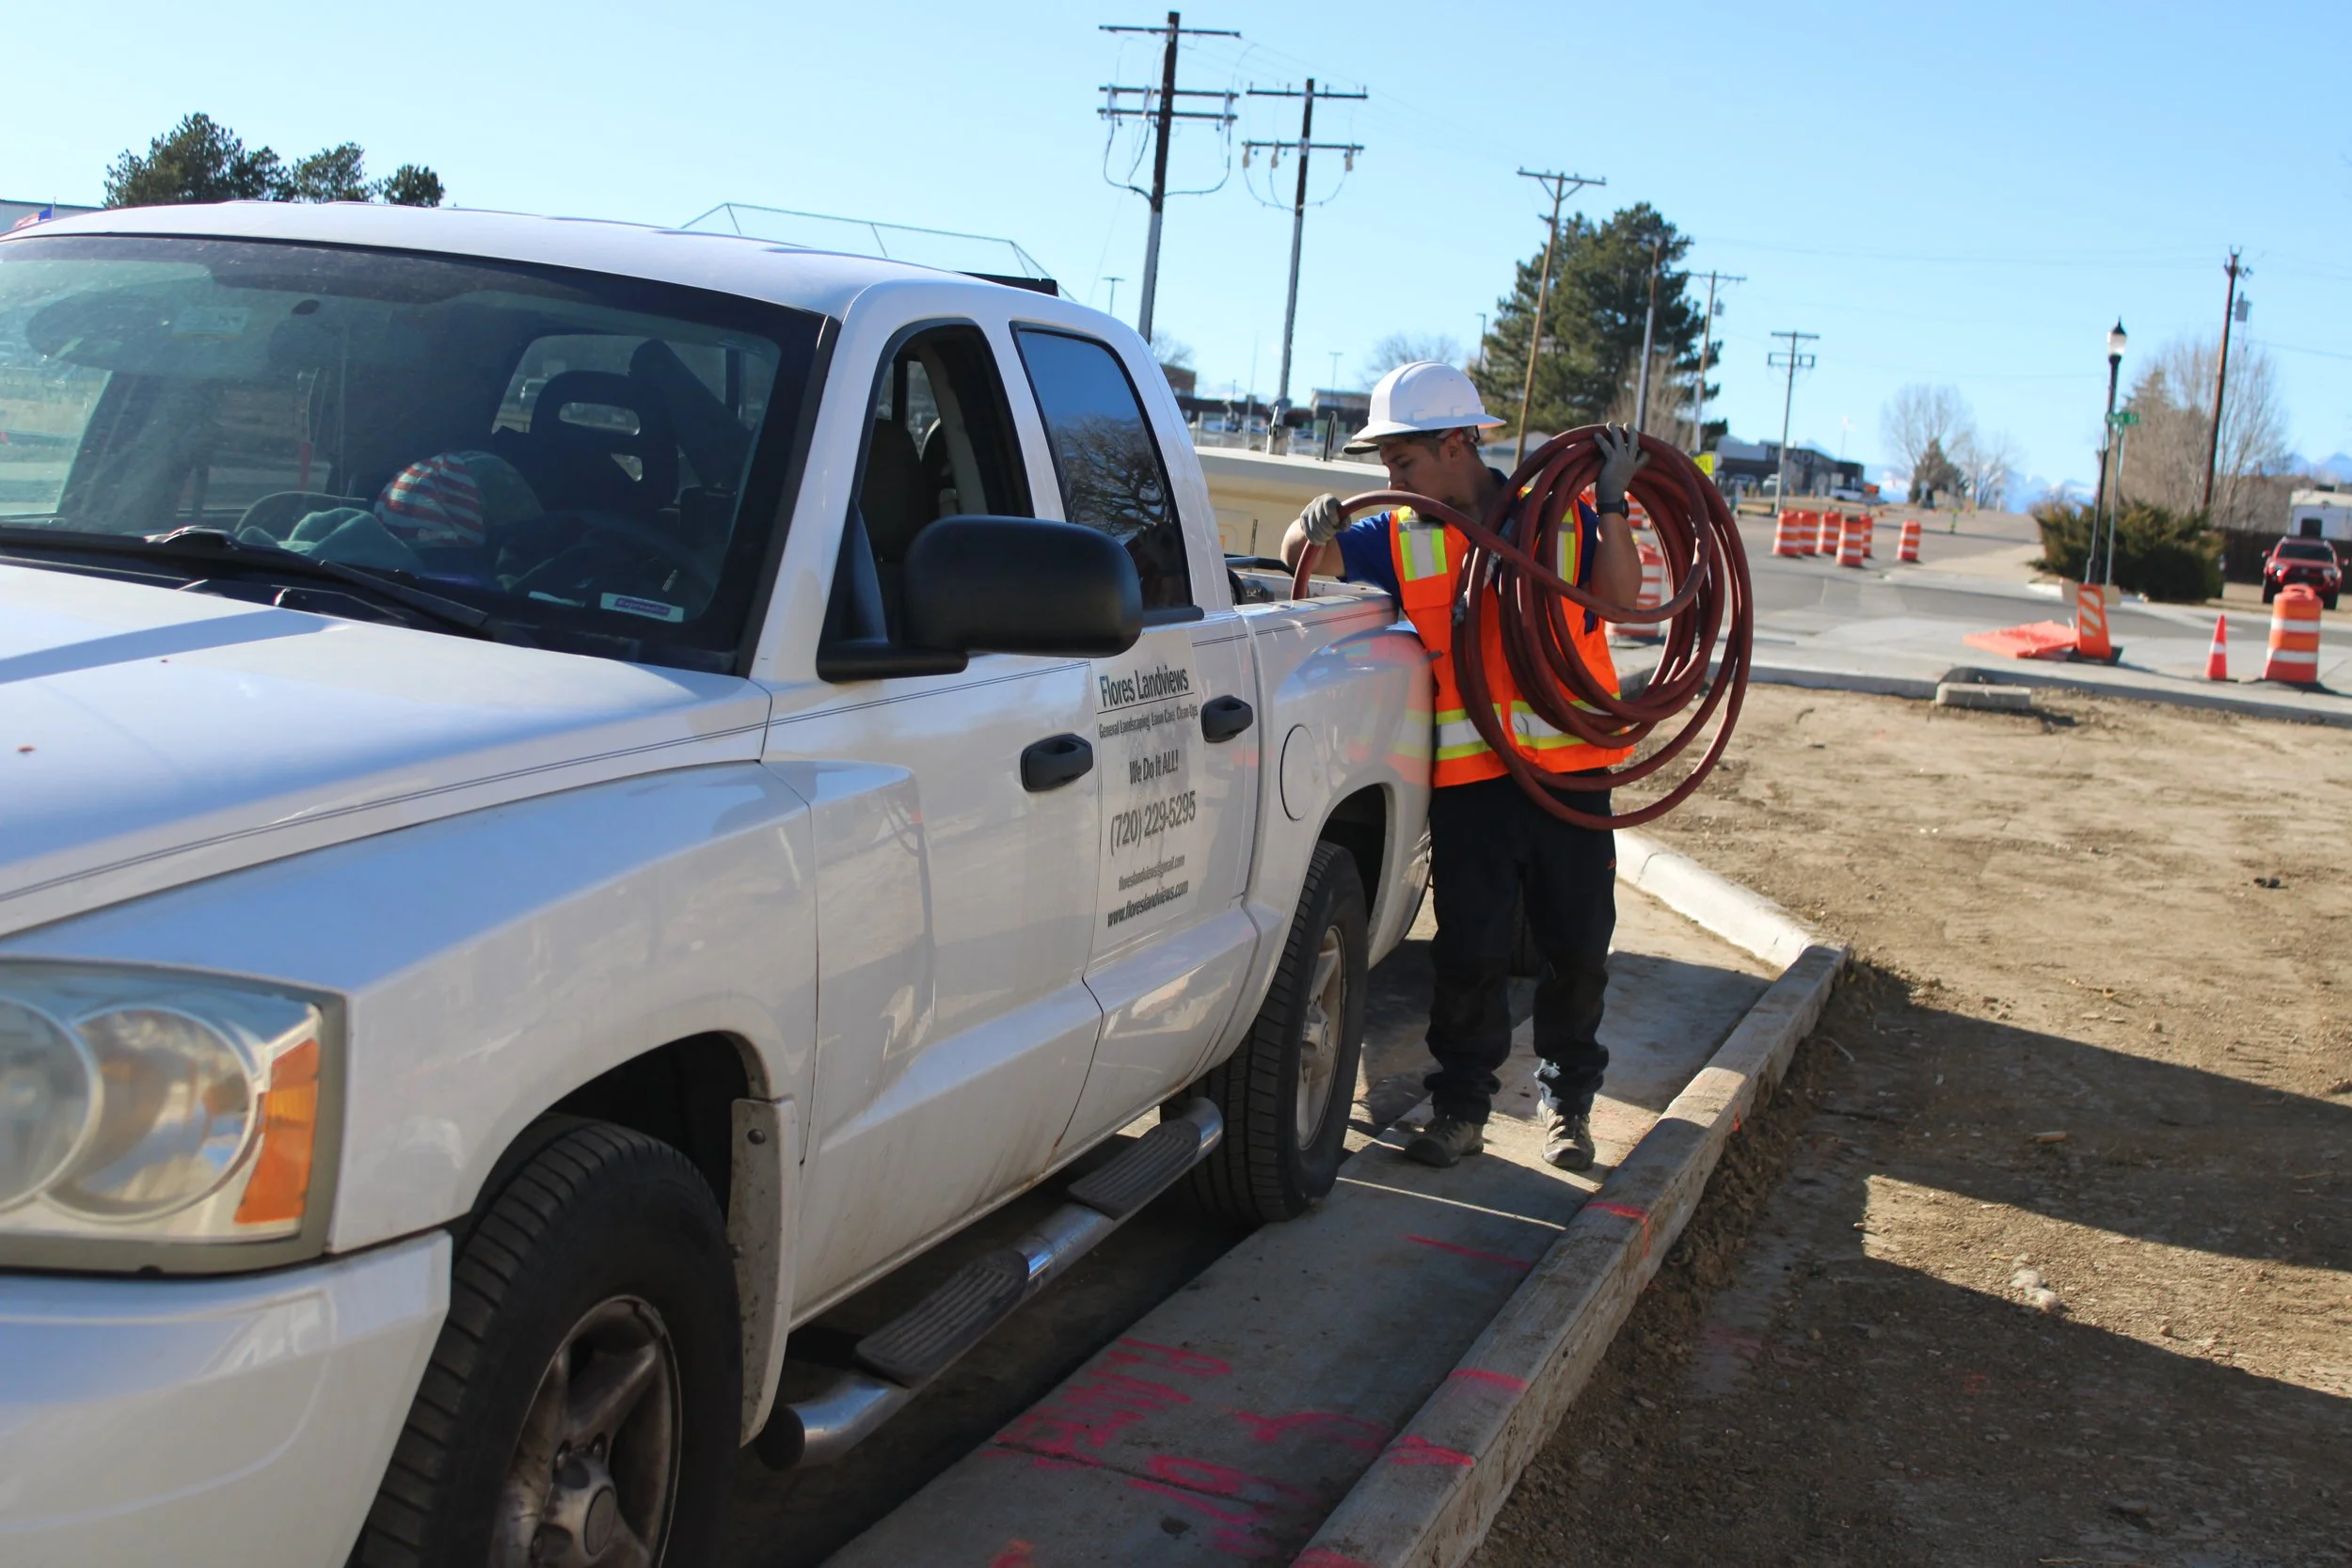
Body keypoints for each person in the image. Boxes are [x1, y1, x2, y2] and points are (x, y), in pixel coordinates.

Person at [1279, 360, 1645, 1171]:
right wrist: (1309, 527)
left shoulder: (1562, 516)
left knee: (1578, 948)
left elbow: (1621, 599)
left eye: (1402, 463)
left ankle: (1567, 1105)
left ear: (1455, 444)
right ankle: (1460, 1110)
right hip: (1475, 784)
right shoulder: (1399, 531)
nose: (1392, 479)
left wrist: (1614, 500)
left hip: (1571, 776)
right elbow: (1308, 555)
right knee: (1470, 952)